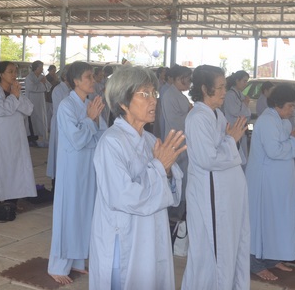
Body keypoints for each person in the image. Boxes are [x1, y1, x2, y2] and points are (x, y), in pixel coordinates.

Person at [89, 66, 186, 290]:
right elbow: (124, 196)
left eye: (154, 93)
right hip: (125, 236)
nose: (153, 100)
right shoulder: (111, 142)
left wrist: (167, 171)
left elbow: (171, 190)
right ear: (123, 102)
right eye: (145, 94)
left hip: (152, 234)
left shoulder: (150, 140)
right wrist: (159, 167)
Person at [181, 65, 250, 289]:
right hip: (210, 195)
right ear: (204, 88)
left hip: (224, 195)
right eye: (219, 87)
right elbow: (208, 159)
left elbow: (222, 148)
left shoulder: (216, 114)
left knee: (227, 248)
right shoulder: (197, 118)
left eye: (224, 87)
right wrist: (231, 140)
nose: (224, 92)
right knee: (210, 251)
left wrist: (230, 139)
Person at [48, 62, 107, 284]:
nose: (93, 80)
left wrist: (91, 123)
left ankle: (77, 260)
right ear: (76, 81)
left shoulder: (90, 103)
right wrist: (90, 121)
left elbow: (101, 135)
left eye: (93, 76)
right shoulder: (66, 106)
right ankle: (57, 265)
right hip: (72, 168)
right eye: (88, 77)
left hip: (89, 166)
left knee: (85, 212)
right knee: (69, 213)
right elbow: (76, 139)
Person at [246, 85, 295, 281]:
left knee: (279, 220)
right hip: (265, 181)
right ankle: (256, 265)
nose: (293, 110)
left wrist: (293, 140)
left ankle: (273, 259)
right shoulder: (266, 121)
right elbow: (274, 151)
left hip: (280, 182)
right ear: (278, 104)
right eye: (290, 106)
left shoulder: (284, 121)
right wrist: (294, 141)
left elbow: (287, 147)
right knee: (262, 222)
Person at [0, 62, 37, 206]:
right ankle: (0, 198)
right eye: (10, 71)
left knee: (16, 167)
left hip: (17, 136)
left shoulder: (16, 91)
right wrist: (14, 97)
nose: (14, 75)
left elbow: (29, 109)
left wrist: (16, 96)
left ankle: (13, 198)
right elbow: (1, 111)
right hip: (1, 138)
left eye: (15, 71)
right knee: (3, 167)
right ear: (1, 74)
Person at [159, 64, 192, 222]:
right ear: (180, 78)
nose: (189, 83)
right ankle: (175, 213)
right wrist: (190, 114)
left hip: (182, 139)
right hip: (175, 139)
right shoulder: (169, 95)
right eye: (188, 79)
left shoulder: (178, 94)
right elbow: (175, 121)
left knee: (183, 176)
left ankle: (181, 209)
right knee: (177, 176)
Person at [46, 66, 70, 184]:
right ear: (65, 76)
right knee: (58, 151)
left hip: (69, 125)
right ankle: (56, 181)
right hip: (60, 124)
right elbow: (61, 109)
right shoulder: (58, 89)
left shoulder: (71, 90)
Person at [25, 60, 51, 147]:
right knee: (32, 119)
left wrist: (44, 83)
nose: (42, 69)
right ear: (35, 68)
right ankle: (31, 138)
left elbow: (48, 87)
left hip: (41, 101)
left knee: (41, 119)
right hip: (32, 101)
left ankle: (41, 138)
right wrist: (41, 83)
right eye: (40, 67)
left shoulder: (42, 77)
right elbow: (31, 88)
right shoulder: (29, 77)